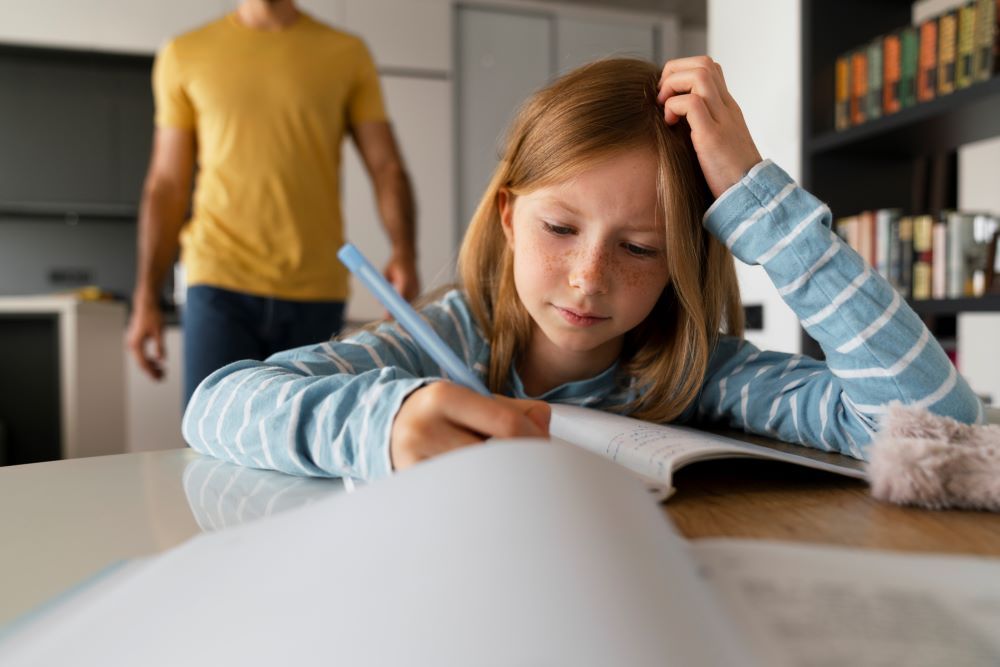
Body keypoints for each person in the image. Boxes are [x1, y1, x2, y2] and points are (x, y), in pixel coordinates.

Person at [181, 56, 983, 479]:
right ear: (507, 216)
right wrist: (383, 421)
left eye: (639, 248)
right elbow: (215, 405)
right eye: (560, 226)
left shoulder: (694, 373)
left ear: (683, 262)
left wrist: (754, 198)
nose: (588, 278)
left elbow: (933, 420)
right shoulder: (433, 342)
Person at [125, 0, 419, 406]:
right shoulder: (184, 53)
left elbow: (386, 167)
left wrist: (404, 253)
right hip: (218, 282)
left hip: (315, 288)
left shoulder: (346, 53)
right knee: (211, 441)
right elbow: (166, 185)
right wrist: (145, 299)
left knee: (310, 452)